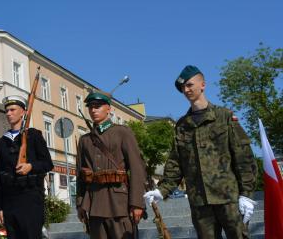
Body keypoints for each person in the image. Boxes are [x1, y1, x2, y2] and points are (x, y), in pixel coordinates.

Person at [144, 65, 257, 239]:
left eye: (189, 85)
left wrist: (246, 194)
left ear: (202, 85)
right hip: (200, 202)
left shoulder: (224, 117)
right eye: (183, 88)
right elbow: (176, 162)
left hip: (228, 198)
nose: (186, 90)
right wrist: (163, 190)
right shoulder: (182, 125)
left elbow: (243, 157)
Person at [75, 92, 146, 239]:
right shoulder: (85, 140)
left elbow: (136, 168)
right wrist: (80, 203)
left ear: (109, 109)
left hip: (119, 203)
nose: (93, 110)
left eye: (98, 106)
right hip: (94, 204)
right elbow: (80, 174)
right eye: (90, 107)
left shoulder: (122, 132)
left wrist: (137, 203)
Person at [0, 95, 53, 239]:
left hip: (30, 198)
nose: (8, 113)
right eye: (6, 110)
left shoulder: (34, 135)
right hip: (9, 200)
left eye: (13, 110)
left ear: (23, 112)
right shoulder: (1, 142)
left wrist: (30, 166)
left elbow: (47, 163)